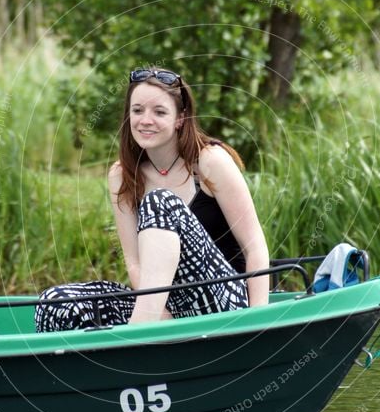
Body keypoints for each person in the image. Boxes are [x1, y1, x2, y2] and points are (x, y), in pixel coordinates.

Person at [35, 68, 269, 331]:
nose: (146, 120)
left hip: (224, 303)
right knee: (55, 304)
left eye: (159, 112)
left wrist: (256, 321)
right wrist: (161, 318)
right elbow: (135, 263)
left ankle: (137, 339)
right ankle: (137, 348)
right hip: (161, 306)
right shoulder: (122, 175)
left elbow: (255, 248)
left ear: (180, 118)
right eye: (137, 110)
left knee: (160, 202)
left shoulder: (209, 161)